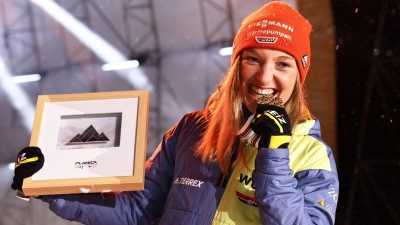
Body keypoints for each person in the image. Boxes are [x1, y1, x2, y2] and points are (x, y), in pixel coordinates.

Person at [11, 1, 339, 224]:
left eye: (283, 64)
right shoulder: (192, 129)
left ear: (299, 76)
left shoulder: (312, 155)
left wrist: (275, 153)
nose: (265, 78)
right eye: (252, 59)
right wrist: (51, 185)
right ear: (236, 65)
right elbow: (136, 209)